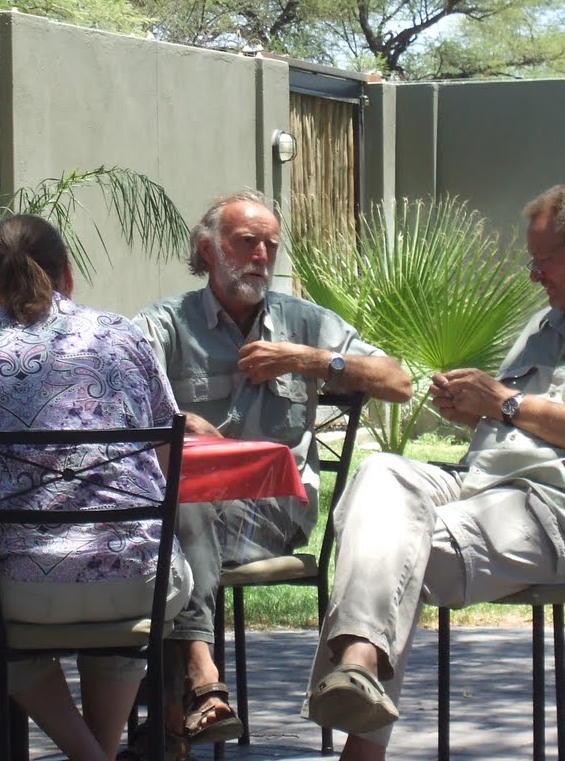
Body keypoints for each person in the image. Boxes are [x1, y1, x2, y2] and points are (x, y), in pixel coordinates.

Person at [302, 179, 565, 760]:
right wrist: (469, 409)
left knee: (391, 547)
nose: (534, 276)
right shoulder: (544, 325)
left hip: (556, 514)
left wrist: (502, 400)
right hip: (474, 489)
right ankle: (362, 663)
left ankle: (358, 691)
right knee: (382, 474)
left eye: (542, 261)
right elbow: (506, 423)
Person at [133, 189, 412, 748]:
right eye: (246, 242)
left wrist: (307, 359)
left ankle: (189, 683)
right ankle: (187, 704)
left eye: (270, 245)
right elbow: (115, 388)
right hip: (190, 512)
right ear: (207, 249)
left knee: (165, 526)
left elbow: (397, 381)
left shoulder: (301, 322)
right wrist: (178, 417)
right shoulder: (167, 323)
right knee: (174, 516)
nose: (261, 255)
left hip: (275, 509)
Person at [0, 213, 192, 761]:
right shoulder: (124, 336)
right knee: (132, 596)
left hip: (13, 593)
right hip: (137, 583)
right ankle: (99, 754)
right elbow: (166, 461)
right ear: (68, 274)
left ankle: (86, 753)